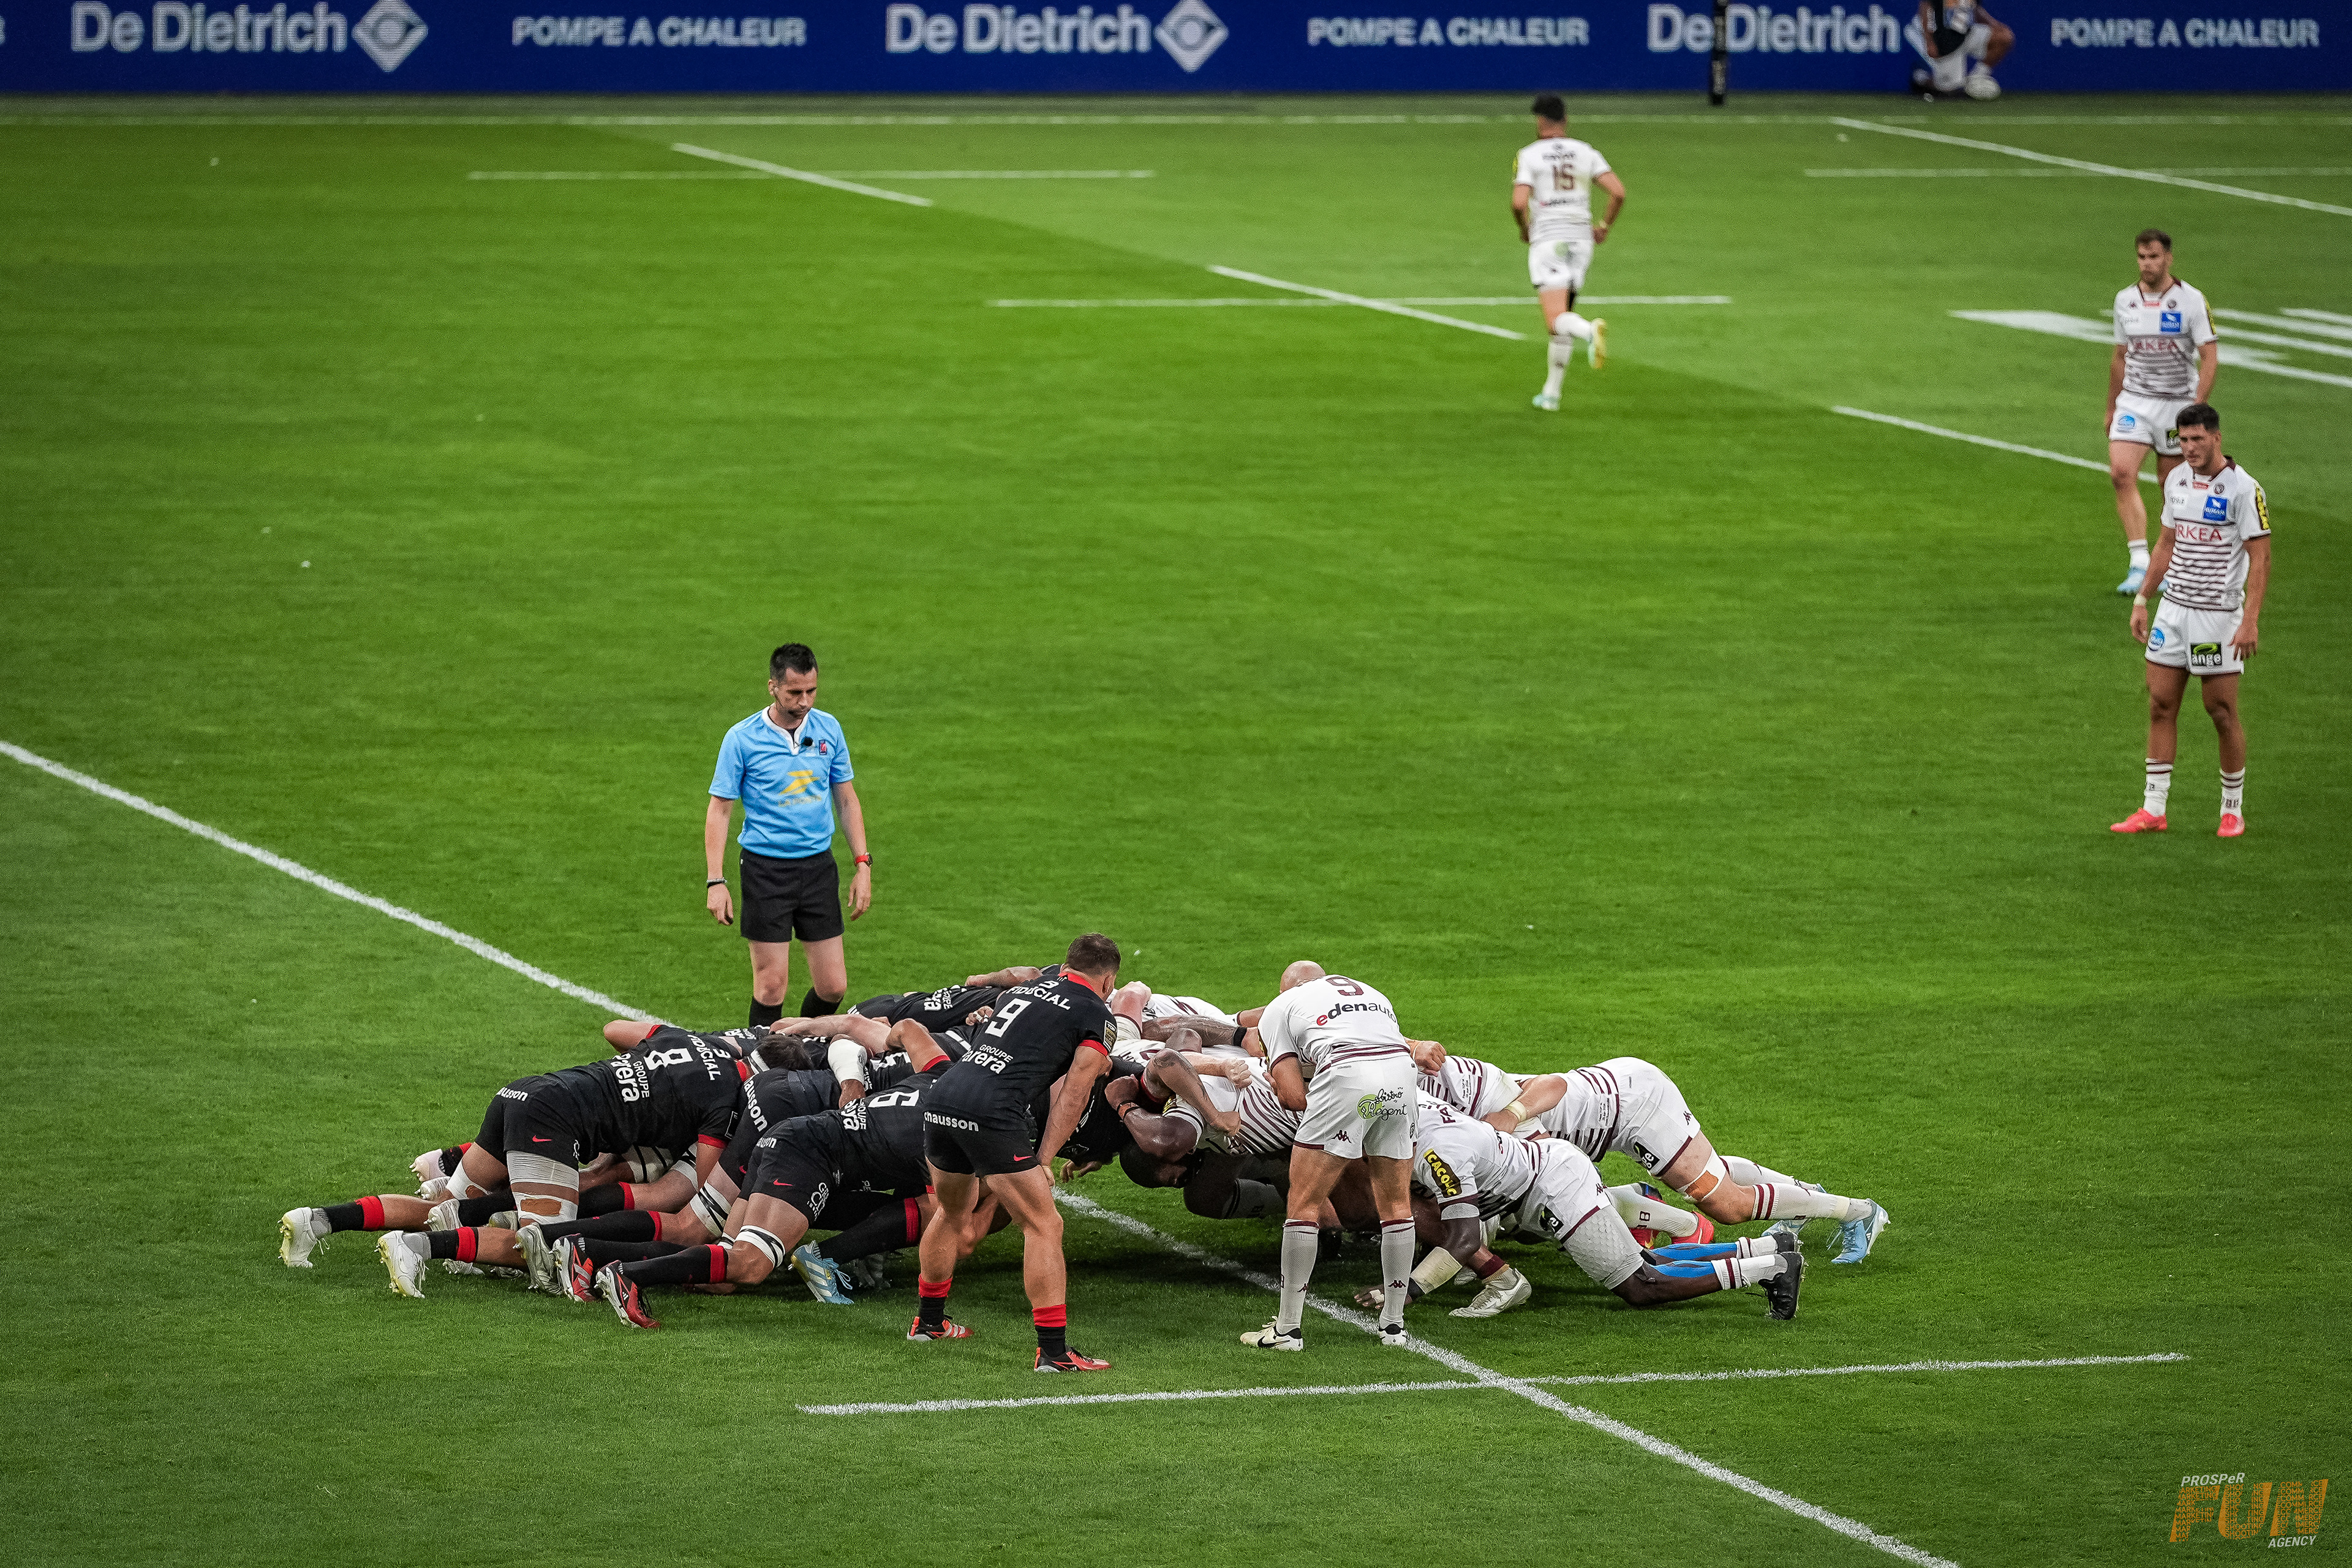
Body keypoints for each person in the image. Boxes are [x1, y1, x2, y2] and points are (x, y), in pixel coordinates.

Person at [912, 933, 1123, 1372]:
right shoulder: (1096, 1014)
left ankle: (928, 1323)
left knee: (951, 1212)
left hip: (945, 1095)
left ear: (1067, 966)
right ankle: (1054, 1352)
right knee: (1044, 1224)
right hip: (993, 1111)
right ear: (1107, 981)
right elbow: (1075, 1092)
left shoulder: (1029, 986)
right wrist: (1044, 1158)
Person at [1238, 962, 1420, 1352]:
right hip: (1402, 1077)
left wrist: (1299, 1090)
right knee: (1396, 1204)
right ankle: (1393, 1325)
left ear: (1284, 989)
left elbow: (1291, 1098)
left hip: (1346, 1074)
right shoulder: (1369, 990)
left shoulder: (1280, 1008)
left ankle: (1287, 1330)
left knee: (1303, 1204)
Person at [2116, 403, 2269, 839]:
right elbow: (2166, 542)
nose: (2189, 448)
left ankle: (2232, 809)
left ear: (2217, 438)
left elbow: (2261, 559)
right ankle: (2153, 808)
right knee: (2160, 703)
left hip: (2217, 617)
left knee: (2220, 711)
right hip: (2174, 612)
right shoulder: (2177, 480)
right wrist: (2144, 598)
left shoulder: (2243, 490)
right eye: (2182, 441)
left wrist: (2250, 620)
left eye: (2197, 439)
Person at [705, 643, 872, 1028]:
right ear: (772, 687)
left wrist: (862, 865)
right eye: (794, 692)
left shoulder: (828, 728)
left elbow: (846, 799)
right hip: (766, 870)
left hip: (817, 868)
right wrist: (716, 880)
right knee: (770, 987)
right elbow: (721, 809)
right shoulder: (742, 739)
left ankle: (797, 1038)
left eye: (811, 691)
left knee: (833, 987)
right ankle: (761, 1065)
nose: (804, 701)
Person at [2106, 231, 2218, 597]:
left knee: (2172, 489)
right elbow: (2120, 356)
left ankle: (2169, 564)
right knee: (2122, 473)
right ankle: (2139, 561)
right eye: (2141, 257)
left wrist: (2196, 407)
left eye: (2153, 257)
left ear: (2168, 258)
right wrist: (2111, 405)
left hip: (2176, 406)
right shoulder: (2125, 301)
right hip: (2135, 402)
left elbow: (2209, 356)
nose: (2147, 264)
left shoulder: (2191, 301)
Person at [1512, 93, 1624, 413]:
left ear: (1540, 121)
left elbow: (1519, 202)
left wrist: (1524, 228)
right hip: (1581, 241)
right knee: (1564, 315)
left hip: (1549, 239)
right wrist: (1604, 225)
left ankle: (1590, 332)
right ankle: (1551, 394)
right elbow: (1618, 192)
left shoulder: (1529, 155)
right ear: (1565, 120)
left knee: (1556, 319)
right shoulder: (1585, 151)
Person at [1907, 0, 2011, 98]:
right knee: (1947, 90)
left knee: (2004, 37)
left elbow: (1976, 9)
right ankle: (1922, 79)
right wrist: (1930, 42)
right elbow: (1926, 7)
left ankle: (1976, 78)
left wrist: (1994, 24)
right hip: (1946, 40)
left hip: (1967, 33)